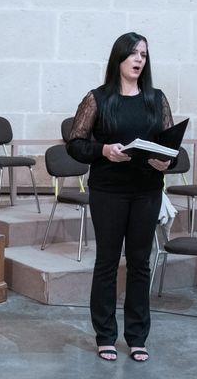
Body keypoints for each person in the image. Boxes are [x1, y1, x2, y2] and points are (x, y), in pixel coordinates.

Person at [66, 32, 174, 363]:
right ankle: (105, 336)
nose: (139, 59)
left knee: (140, 263)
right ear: (119, 58)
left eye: (144, 54)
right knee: (108, 262)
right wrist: (103, 150)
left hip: (147, 190)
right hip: (109, 191)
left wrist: (167, 160)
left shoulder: (156, 99)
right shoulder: (98, 98)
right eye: (133, 54)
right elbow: (75, 143)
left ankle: (138, 336)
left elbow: (174, 149)